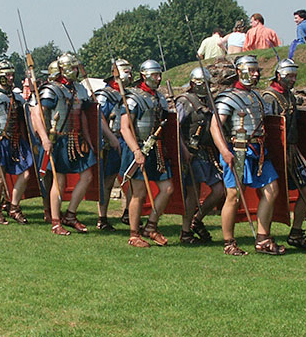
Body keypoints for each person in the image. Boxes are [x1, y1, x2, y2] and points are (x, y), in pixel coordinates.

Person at [211, 55, 285, 256]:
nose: (255, 74)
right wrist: (224, 151)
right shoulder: (228, 97)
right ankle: (229, 242)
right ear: (239, 71)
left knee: (272, 189)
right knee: (234, 196)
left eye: (256, 70)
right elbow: (215, 126)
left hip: (259, 151)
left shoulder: (258, 97)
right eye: (251, 70)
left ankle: (262, 238)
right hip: (237, 151)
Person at [34, 52, 97, 235]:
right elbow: (39, 114)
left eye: (77, 67)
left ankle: (70, 214)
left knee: (87, 176)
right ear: (63, 69)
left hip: (77, 139)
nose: (76, 70)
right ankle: (55, 222)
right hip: (59, 140)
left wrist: (88, 138)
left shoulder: (79, 89)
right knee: (59, 181)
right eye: (73, 67)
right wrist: (45, 139)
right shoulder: (51, 89)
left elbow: (83, 115)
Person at [262, 59, 306, 250]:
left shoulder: (289, 96)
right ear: (279, 75)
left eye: (295, 75)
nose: (293, 79)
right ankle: (265, 235)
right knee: (272, 193)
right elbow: (269, 128)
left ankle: (296, 232)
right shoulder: (270, 97)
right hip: (276, 152)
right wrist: (278, 153)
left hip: (293, 149)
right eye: (289, 76)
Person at [119, 60, 174, 247]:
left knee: (167, 188)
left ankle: (151, 226)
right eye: (154, 75)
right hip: (139, 148)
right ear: (144, 75)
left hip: (156, 148)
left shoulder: (159, 97)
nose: (158, 78)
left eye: (159, 75)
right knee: (139, 194)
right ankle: (134, 235)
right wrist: (136, 151)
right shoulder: (132, 97)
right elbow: (125, 128)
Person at [0, 60, 34, 225]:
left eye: (12, 74)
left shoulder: (16, 97)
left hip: (16, 141)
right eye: (7, 75)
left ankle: (14, 206)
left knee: (25, 173)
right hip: (0, 141)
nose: (11, 78)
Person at [175, 67, 225, 244]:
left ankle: (197, 220)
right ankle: (185, 231)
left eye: (206, 83)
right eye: (200, 83)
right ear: (192, 83)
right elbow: (176, 129)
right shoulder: (184, 101)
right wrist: (184, 150)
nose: (204, 86)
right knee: (193, 192)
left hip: (207, 152)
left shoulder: (210, 101)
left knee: (219, 190)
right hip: (191, 152)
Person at [94, 59, 130, 231]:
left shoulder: (129, 94)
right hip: (110, 142)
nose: (130, 75)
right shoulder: (104, 94)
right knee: (107, 181)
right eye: (126, 71)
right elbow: (99, 118)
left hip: (127, 140)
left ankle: (128, 213)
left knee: (129, 178)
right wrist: (111, 138)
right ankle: (102, 217)